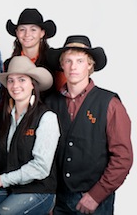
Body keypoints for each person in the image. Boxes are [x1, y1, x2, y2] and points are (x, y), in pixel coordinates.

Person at [45, 35, 133, 214]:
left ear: (90, 65)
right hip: (57, 199)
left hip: (94, 200)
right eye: (68, 61)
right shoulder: (49, 103)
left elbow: (123, 158)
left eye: (80, 60)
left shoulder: (110, 103)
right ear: (62, 65)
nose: (73, 66)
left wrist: (96, 195)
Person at [0, 56, 61, 215]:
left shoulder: (46, 117)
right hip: (10, 188)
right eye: (11, 81)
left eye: (21, 80)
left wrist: (1, 179)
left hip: (39, 190)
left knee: (3, 212)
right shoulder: (1, 117)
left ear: (32, 84)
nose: (15, 85)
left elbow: (41, 167)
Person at [4, 8, 65, 99]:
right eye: (22, 29)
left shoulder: (54, 61)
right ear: (17, 33)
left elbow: (63, 92)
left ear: (42, 33)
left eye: (33, 29)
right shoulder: (9, 64)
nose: (27, 34)